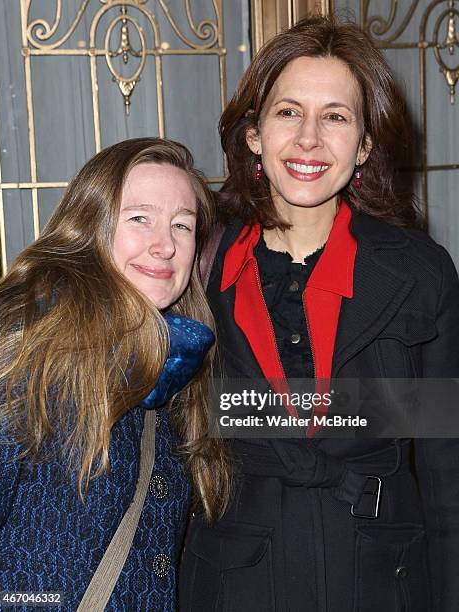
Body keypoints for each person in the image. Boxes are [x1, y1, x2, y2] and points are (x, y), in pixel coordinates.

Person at [179, 17, 459, 612]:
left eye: (335, 116)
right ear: (253, 133)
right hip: (235, 583)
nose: (309, 138)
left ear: (363, 145)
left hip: (384, 580)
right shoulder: (194, 264)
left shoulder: (421, 272)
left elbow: (445, 469)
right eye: (287, 112)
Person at [0, 138, 231, 611]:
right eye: (139, 218)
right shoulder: (28, 344)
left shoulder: (180, 359)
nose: (164, 245)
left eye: (181, 225)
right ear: (91, 225)